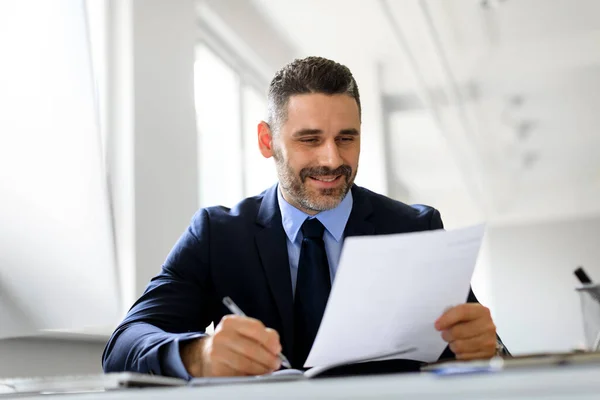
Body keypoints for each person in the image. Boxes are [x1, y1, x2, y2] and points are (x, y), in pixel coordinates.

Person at [102, 56, 507, 379]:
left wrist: (488, 347)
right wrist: (197, 354)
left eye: (346, 138)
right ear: (267, 141)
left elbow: (477, 345)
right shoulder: (217, 235)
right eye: (309, 139)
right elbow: (123, 345)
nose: (332, 159)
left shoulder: (414, 228)